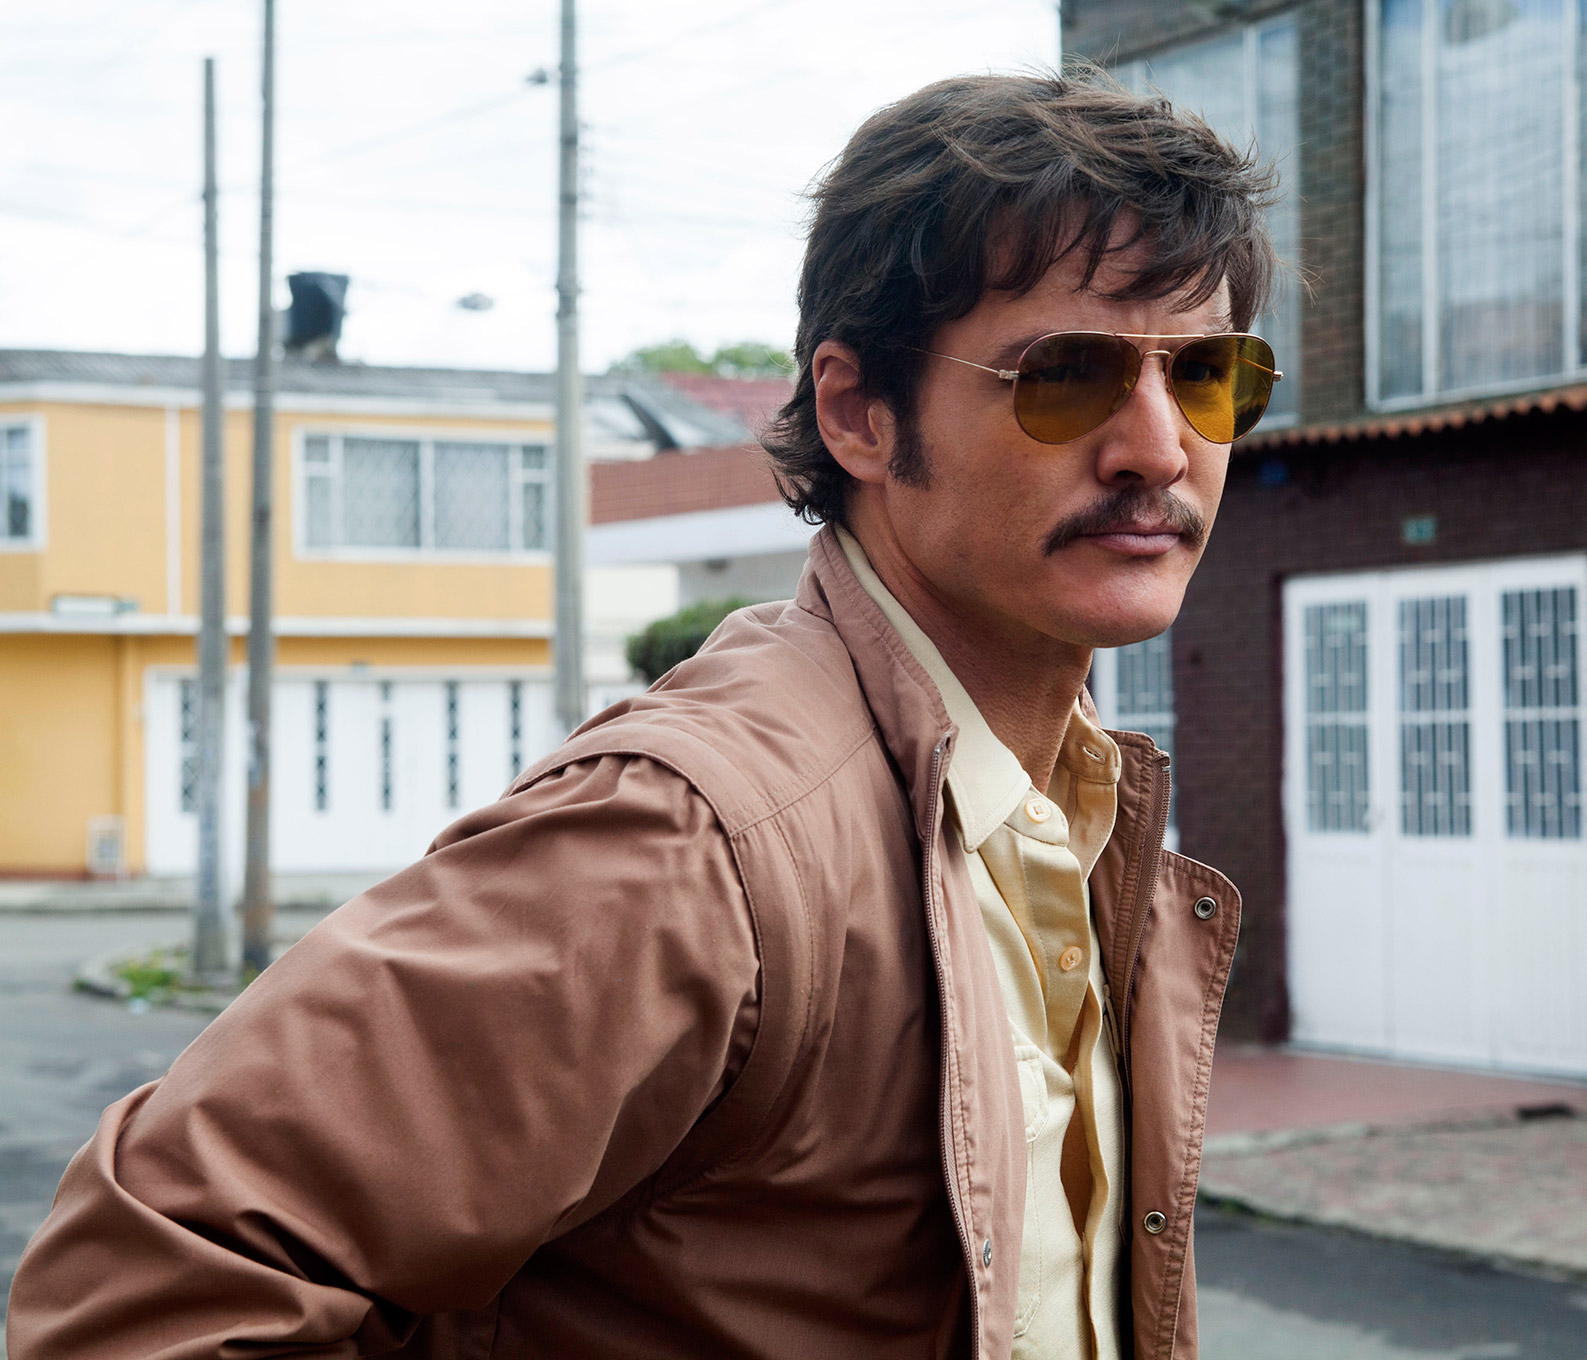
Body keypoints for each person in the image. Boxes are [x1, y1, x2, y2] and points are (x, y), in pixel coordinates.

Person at [7, 69, 1280, 1359]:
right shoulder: (701, 846)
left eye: (1209, 377)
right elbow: (153, 1280)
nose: (1159, 447)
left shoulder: (1066, 814)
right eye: (1065, 375)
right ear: (858, 414)